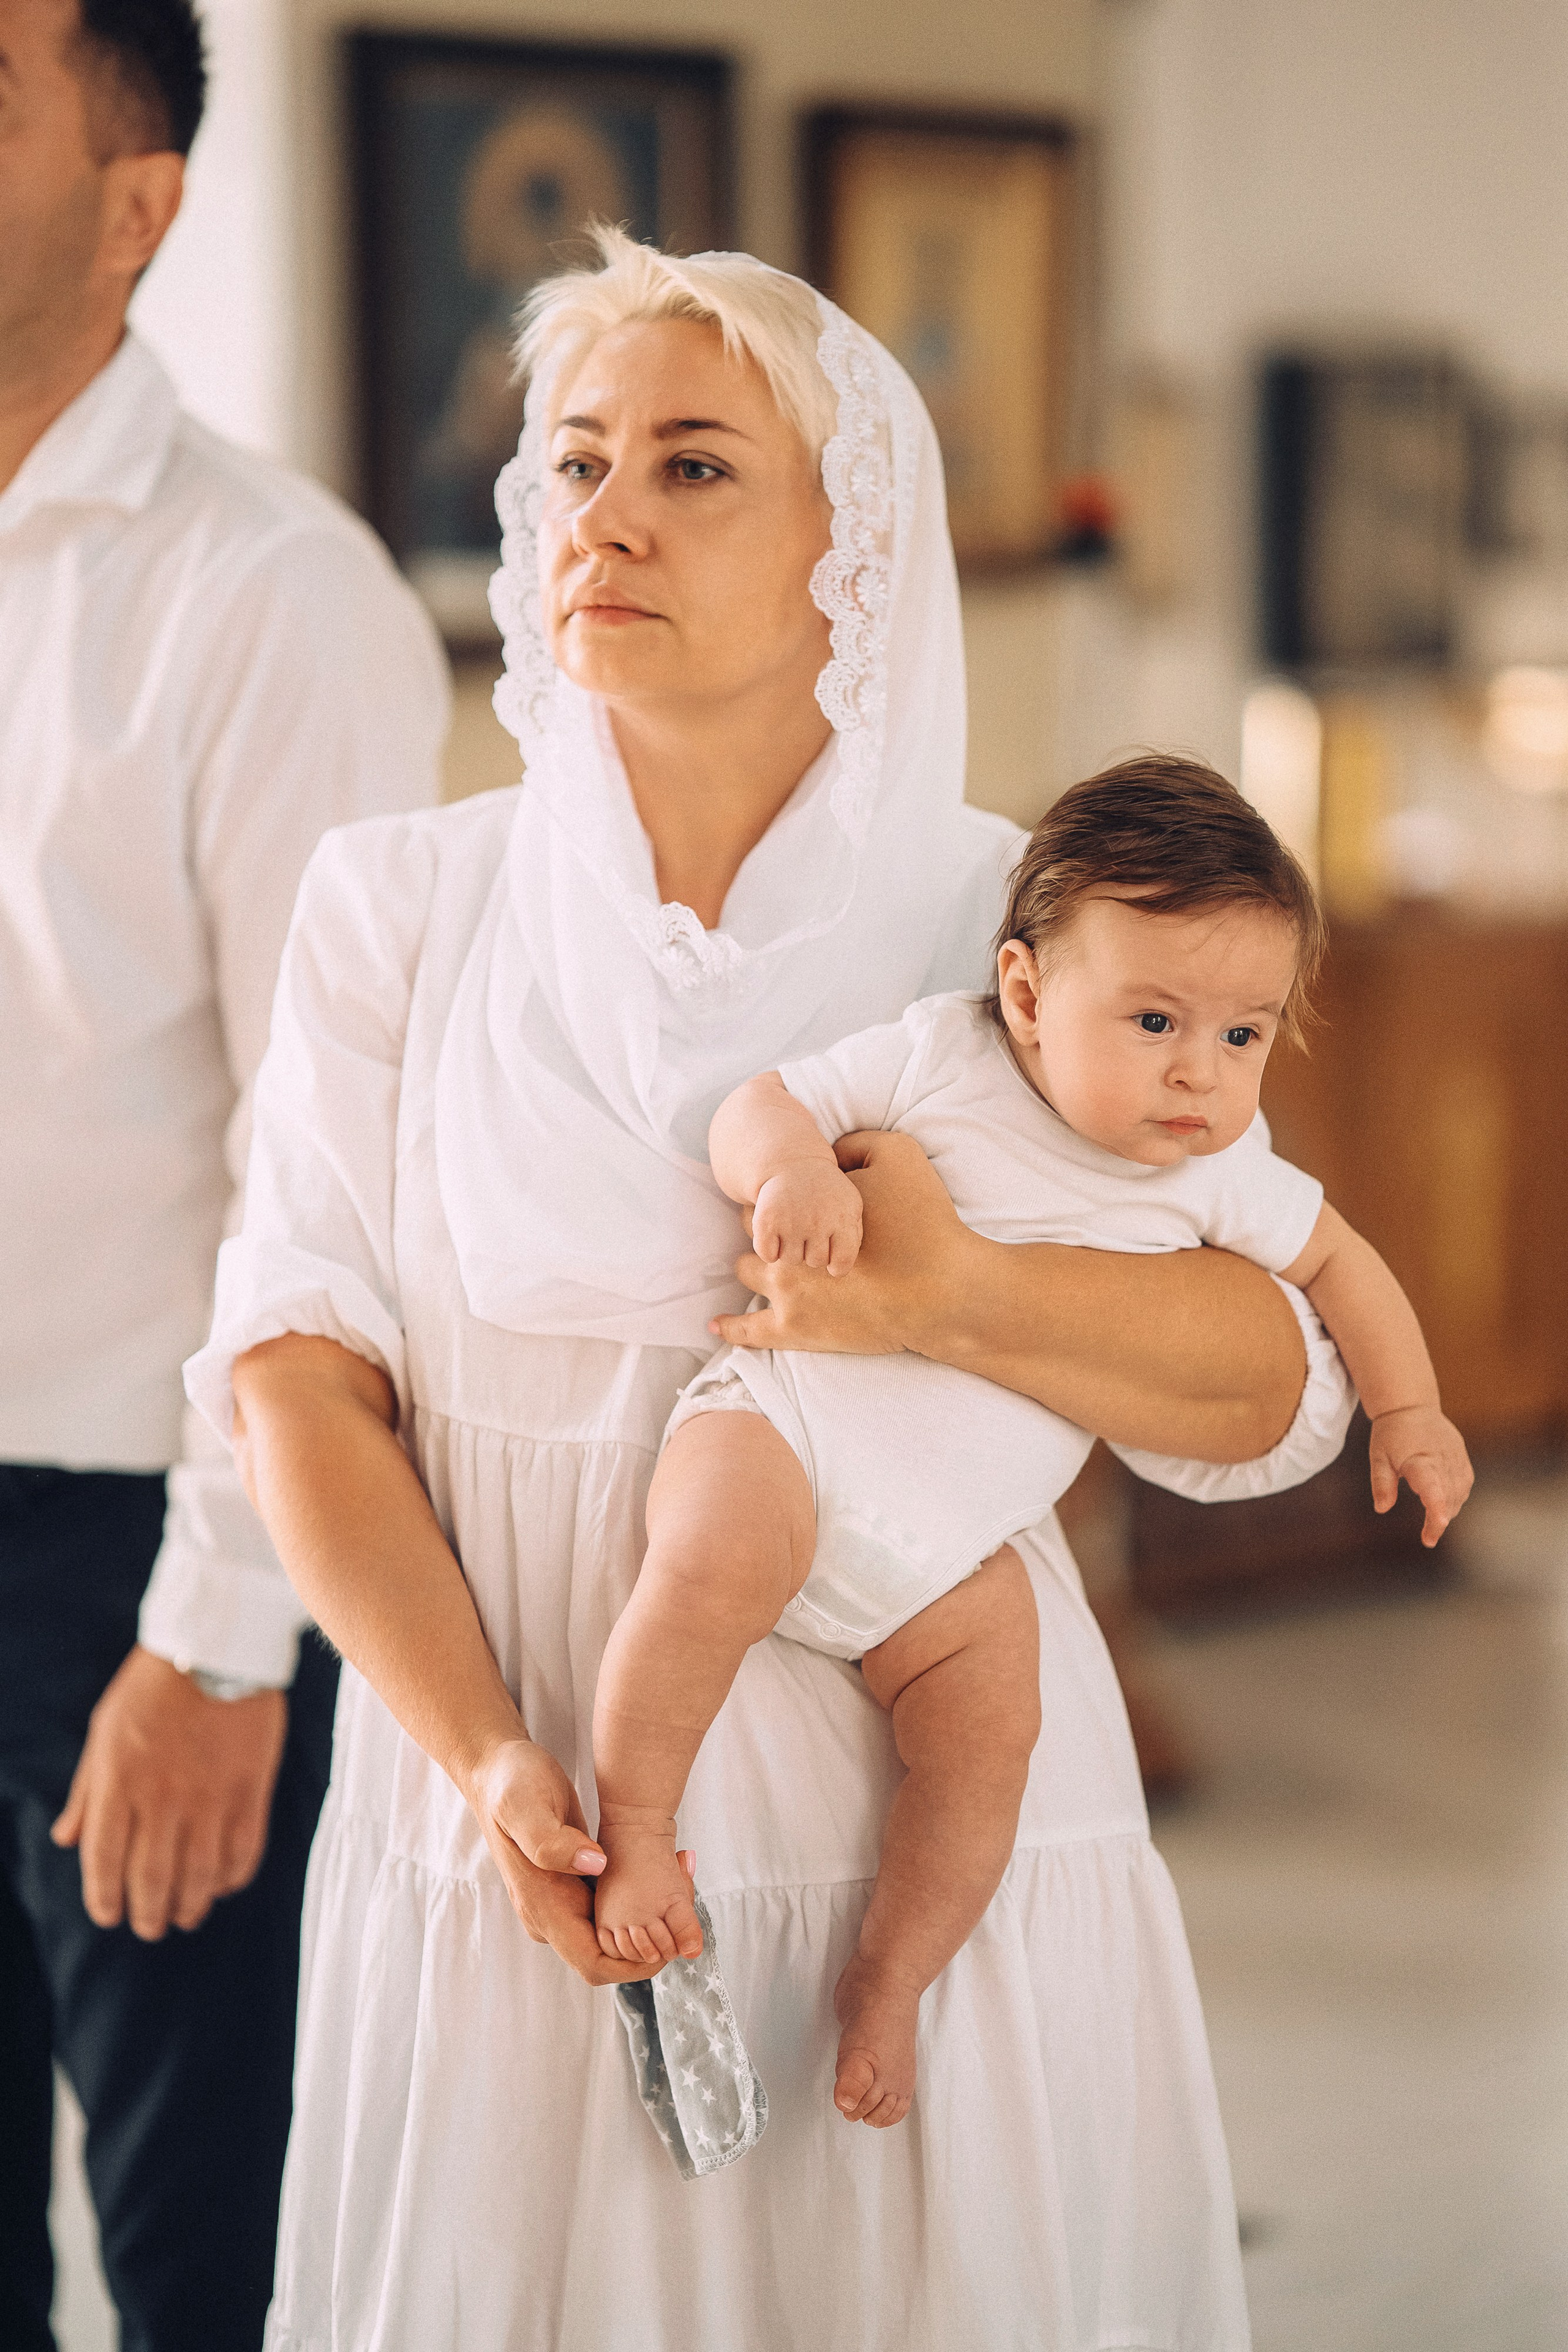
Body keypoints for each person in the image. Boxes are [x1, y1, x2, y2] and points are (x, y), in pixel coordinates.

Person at [190, 230, 1354, 2350]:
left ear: (857, 546)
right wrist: (489, 1763)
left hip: (925, 1825)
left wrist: (952, 1293)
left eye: (696, 465)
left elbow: (1279, 1389)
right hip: (519, 1812)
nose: (605, 515)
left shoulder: (1016, 925)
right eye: (575, 461)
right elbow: (295, 1376)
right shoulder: (400, 904)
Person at [592, 758, 1472, 2130]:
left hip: (955, 1551)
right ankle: (640, 1836)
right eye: (1154, 1020)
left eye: (1244, 1036)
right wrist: (795, 1170)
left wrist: (1409, 1410)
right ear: (1023, 992)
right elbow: (756, 1106)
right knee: (700, 1568)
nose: (1198, 1072)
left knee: (990, 1737)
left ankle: (891, 1978)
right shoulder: (938, 1057)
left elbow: (1342, 1267)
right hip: (793, 1434)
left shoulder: (1221, 1172)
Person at [0, 4, 448, 2346]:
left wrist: (218, 1636)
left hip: (131, 1564)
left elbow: (332, 1170)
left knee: (217, 2273)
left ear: (136, 205)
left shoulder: (276, 595)